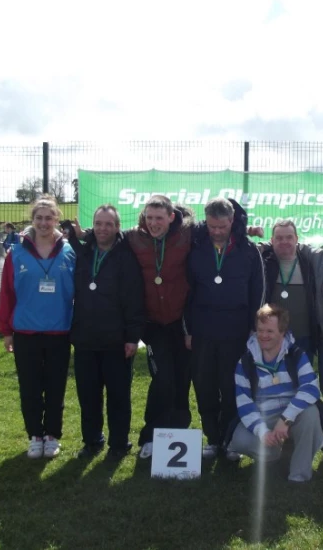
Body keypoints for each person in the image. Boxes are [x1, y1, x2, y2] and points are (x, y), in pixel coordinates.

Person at [185, 197, 265, 460]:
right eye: (212, 226)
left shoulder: (248, 250)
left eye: (222, 226)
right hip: (203, 331)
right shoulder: (195, 249)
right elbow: (186, 293)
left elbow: (259, 291)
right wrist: (188, 330)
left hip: (237, 331)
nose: (217, 231)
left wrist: (255, 328)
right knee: (205, 386)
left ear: (232, 221)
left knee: (233, 387)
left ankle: (231, 441)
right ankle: (213, 439)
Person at [0, 194, 76, 459]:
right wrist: (6, 330)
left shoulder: (69, 251)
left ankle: (52, 435)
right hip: (26, 332)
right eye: (39, 218)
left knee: (55, 387)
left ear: (57, 219)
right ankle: (35, 435)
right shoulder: (16, 252)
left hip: (59, 331)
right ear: (32, 220)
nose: (44, 223)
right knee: (30, 387)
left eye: (49, 217)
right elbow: (7, 293)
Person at [67, 204, 146, 461]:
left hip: (117, 340)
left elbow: (134, 300)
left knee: (118, 396)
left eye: (108, 224)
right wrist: (82, 235)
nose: (103, 229)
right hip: (85, 338)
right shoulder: (83, 250)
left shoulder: (127, 255)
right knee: (88, 395)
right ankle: (92, 441)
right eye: (98, 223)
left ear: (117, 227)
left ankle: (119, 443)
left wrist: (132, 337)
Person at [123, 195, 197, 460]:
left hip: (182, 323)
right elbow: (103, 239)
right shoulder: (133, 238)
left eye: (159, 218)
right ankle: (151, 435)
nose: (153, 223)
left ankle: (177, 433)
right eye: (149, 218)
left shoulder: (187, 234)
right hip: (153, 325)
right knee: (162, 378)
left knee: (182, 378)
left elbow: (219, 227)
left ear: (171, 217)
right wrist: (78, 237)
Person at [228, 304, 323, 482]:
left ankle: (299, 476)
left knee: (311, 414)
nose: (263, 336)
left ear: (282, 332)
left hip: (292, 416)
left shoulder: (296, 355)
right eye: (260, 330)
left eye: (270, 331)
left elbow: (311, 388)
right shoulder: (245, 362)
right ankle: (275, 452)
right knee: (239, 440)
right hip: (263, 416)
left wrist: (286, 419)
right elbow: (244, 404)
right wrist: (263, 432)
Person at [259, 220, 318, 362]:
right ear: (271, 240)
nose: (284, 241)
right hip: (272, 339)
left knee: (302, 382)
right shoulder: (264, 262)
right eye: (279, 238)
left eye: (289, 237)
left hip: (303, 338)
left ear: (296, 239)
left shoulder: (309, 262)